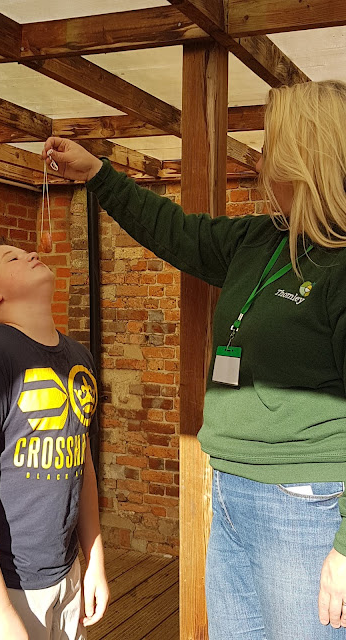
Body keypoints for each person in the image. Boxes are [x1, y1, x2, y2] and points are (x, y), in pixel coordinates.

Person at [42, 80, 346, 639]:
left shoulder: (340, 266)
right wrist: (97, 173)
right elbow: (175, 232)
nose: (260, 163)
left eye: (271, 149)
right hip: (230, 488)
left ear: (307, 161)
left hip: (304, 504)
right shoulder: (261, 239)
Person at [0, 238, 109, 640]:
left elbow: (80, 464)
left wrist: (95, 559)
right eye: (12, 257)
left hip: (64, 575)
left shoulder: (79, 357)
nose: (32, 254)